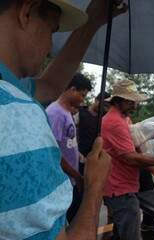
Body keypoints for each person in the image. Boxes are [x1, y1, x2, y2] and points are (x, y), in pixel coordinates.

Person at [0, 0, 126, 239]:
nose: (49, 47)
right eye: (52, 31)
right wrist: (95, 186)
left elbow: (49, 86)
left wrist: (92, 22)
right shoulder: (16, 116)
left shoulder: (11, 89)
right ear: (26, 12)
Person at [101, 80, 154, 240]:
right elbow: (130, 158)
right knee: (130, 235)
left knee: (120, 232)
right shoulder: (114, 122)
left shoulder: (124, 119)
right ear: (119, 100)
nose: (134, 105)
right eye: (130, 101)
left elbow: (135, 147)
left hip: (125, 185)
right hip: (120, 189)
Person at [46, 73, 93, 223]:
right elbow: (52, 152)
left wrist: (78, 154)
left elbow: (66, 142)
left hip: (68, 177)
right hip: (61, 178)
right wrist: (77, 177)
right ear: (72, 89)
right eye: (82, 95)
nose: (83, 100)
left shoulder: (66, 112)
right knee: (64, 220)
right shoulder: (56, 113)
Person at [75, 91, 111, 174]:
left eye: (107, 106)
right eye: (103, 104)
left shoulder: (104, 118)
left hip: (95, 158)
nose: (104, 108)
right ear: (96, 100)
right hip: (79, 155)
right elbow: (73, 131)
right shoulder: (80, 112)